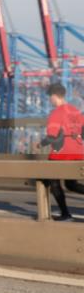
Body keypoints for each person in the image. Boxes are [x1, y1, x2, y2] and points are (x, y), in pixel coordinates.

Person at [40, 83, 84, 221]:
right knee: (71, 184)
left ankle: (65, 214)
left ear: (54, 96)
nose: (49, 100)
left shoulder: (56, 113)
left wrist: (39, 144)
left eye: (50, 97)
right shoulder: (75, 111)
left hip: (62, 153)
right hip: (79, 153)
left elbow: (52, 135)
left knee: (52, 181)